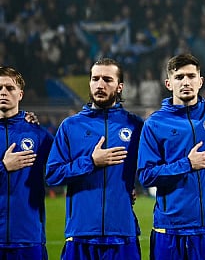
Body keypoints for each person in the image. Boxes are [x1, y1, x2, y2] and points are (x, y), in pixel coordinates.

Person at [137, 53, 205, 260]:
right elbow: (146, 175)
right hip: (170, 229)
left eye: (191, 76)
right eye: (179, 77)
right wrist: (187, 164)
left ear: (200, 81)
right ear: (168, 83)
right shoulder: (155, 124)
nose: (186, 82)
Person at [46, 58, 145, 259]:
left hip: (122, 232)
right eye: (95, 78)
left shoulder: (136, 126)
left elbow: (149, 170)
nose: (100, 84)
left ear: (120, 86)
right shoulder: (70, 126)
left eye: (107, 79)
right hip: (81, 233)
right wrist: (90, 162)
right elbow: (52, 175)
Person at [0, 66, 54, 259]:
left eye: (9, 88)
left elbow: (63, 169)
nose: (3, 92)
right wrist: (4, 167)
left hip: (29, 238)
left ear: (20, 94)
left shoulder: (37, 135)